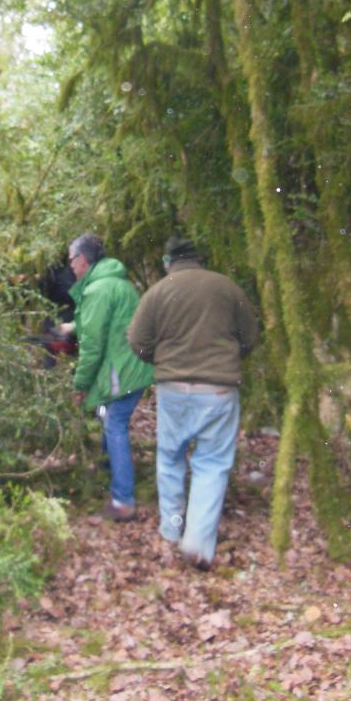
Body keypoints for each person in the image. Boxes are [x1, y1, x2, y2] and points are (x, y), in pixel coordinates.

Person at [127, 236, 259, 568]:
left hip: (172, 388)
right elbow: (250, 338)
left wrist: (160, 362)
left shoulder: (158, 292)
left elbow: (136, 340)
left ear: (168, 262)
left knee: (170, 457)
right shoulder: (227, 289)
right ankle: (198, 544)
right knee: (211, 465)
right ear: (199, 259)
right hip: (218, 389)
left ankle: (171, 531)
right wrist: (227, 361)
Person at [63, 233, 154, 521]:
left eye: (71, 261)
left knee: (114, 423)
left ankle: (123, 501)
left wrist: (80, 385)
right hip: (134, 366)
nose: (70, 267)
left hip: (121, 369)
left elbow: (93, 345)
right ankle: (106, 471)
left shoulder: (98, 290)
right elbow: (104, 323)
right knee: (108, 418)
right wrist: (70, 328)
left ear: (83, 260)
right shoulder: (117, 283)